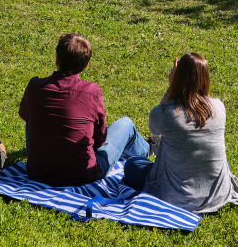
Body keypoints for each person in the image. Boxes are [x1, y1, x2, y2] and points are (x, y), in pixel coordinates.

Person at [18, 33, 149, 187]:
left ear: (57, 59)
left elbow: (24, 115)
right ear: (86, 65)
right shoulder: (92, 91)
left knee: (31, 114)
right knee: (126, 124)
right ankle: (147, 152)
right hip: (83, 175)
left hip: (38, 172)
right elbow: (100, 139)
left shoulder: (35, 86)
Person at [121, 52, 238, 214]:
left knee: (132, 165)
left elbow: (153, 128)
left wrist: (172, 88)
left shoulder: (169, 113)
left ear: (177, 78)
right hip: (217, 195)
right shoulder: (219, 107)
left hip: (176, 196)